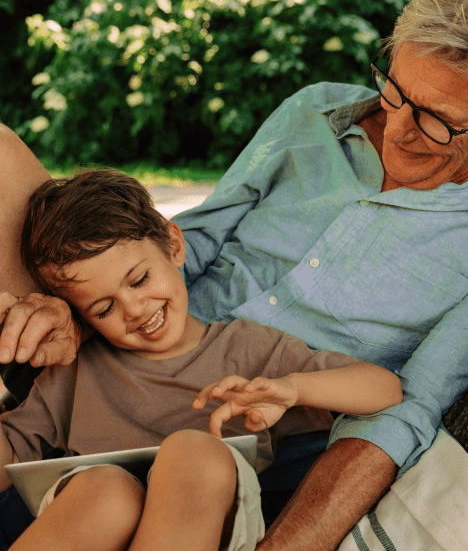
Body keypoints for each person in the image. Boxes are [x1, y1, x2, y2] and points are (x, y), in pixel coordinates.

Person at [0, 0, 468, 549]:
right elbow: (184, 243)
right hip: (114, 365)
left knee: (188, 465)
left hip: (235, 450)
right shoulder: (313, 110)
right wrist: (74, 310)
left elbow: (407, 404)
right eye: (395, 89)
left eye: (437, 120)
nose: (396, 130)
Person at [0, 169, 403, 551]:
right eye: (104, 309)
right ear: (80, 316)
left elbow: (385, 389)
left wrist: (293, 389)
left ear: (174, 246)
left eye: (139, 280)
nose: (135, 308)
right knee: (105, 490)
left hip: (205, 526)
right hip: (98, 527)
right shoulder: (75, 370)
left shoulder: (248, 349)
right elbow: (12, 454)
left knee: (195, 452)